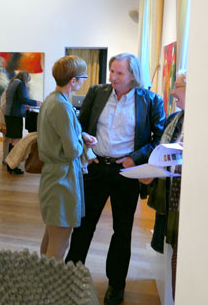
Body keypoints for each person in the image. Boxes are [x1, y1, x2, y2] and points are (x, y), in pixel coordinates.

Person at [65, 53, 165, 305]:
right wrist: (86, 150)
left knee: (122, 231)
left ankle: (116, 285)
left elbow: (159, 137)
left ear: (133, 75)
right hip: (97, 168)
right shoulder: (98, 92)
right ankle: (69, 278)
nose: (113, 77)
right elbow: (79, 125)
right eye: (112, 71)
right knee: (83, 225)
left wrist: (137, 157)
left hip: (126, 172)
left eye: (120, 73)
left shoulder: (150, 100)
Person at [37, 56, 97, 261]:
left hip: (54, 176)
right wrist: (84, 144)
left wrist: (80, 135)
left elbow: (62, 135)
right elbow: (72, 151)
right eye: (83, 77)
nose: (83, 81)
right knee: (59, 243)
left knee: (51, 237)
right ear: (73, 80)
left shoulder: (51, 100)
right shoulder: (62, 106)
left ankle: (42, 283)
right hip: (62, 179)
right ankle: (50, 290)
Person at [141, 70, 187, 301]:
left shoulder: (206, 126)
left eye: (177, 86)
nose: (172, 91)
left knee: (186, 258)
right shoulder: (175, 119)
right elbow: (163, 155)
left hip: (190, 204)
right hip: (172, 202)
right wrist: (151, 173)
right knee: (176, 256)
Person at [4, 71, 42, 174]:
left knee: (13, 140)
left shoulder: (12, 82)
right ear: (25, 78)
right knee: (16, 140)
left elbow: (16, 100)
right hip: (15, 115)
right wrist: (36, 102)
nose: (27, 83)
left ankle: (10, 164)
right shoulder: (20, 84)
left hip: (10, 115)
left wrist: (25, 106)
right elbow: (23, 98)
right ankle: (13, 165)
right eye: (28, 81)